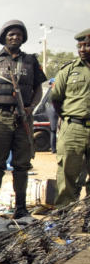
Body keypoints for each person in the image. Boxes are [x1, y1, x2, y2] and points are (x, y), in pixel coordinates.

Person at [0, 20, 46, 219]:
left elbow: (38, 89)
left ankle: (21, 208)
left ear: (23, 38)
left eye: (18, 34)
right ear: (4, 38)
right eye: (11, 34)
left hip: (24, 119)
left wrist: (31, 107)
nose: (15, 37)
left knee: (22, 165)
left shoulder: (31, 61)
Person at [52, 28, 90, 208]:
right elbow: (56, 100)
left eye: (87, 45)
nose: (82, 49)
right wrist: (70, 120)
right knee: (67, 176)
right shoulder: (69, 70)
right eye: (80, 46)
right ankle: (62, 221)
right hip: (73, 129)